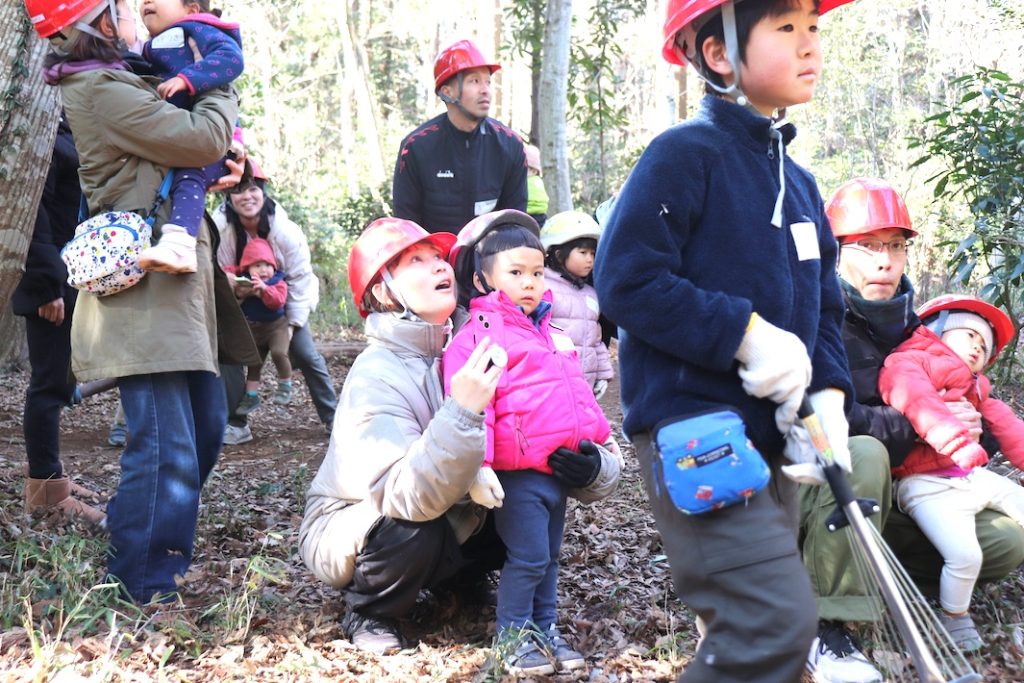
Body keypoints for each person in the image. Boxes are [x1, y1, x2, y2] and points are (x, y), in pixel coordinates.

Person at [594, 1, 858, 680]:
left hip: (773, 443)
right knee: (770, 622)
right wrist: (743, 333)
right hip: (698, 436)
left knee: (766, 634)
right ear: (718, 54)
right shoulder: (684, 155)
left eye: (814, 28)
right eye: (786, 28)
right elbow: (627, 278)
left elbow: (827, 306)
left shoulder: (798, 183)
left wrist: (827, 397)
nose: (810, 47)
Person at [297, 217, 621, 657]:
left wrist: (596, 467)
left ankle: (466, 585)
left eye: (438, 258)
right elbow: (405, 497)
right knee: (412, 529)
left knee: (522, 498)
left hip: (450, 509)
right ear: (382, 290)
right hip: (364, 524)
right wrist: (463, 411)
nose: (437, 267)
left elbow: (571, 420)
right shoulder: (378, 373)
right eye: (416, 261)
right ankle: (371, 609)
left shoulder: (490, 338)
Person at [30, 0, 256, 602]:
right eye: (126, 10)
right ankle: (142, 582)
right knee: (165, 447)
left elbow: (190, 154)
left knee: (204, 429)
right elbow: (200, 135)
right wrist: (221, 83)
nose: (138, 17)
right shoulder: (101, 87)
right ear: (102, 25)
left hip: (176, 286)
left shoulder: (128, 80)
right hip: (142, 293)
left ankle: (157, 556)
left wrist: (218, 166)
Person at [802, 176, 1024, 682]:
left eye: (896, 246)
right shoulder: (815, 320)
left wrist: (970, 428)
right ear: (835, 252)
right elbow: (826, 424)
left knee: (1005, 541)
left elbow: (975, 409)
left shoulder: (922, 331)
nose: (885, 261)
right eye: (867, 247)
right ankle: (826, 624)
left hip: (905, 498)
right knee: (864, 452)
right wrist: (924, 427)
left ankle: (875, 582)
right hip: (818, 494)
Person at [442, 210, 621, 675]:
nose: (530, 283)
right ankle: (513, 637)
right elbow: (475, 405)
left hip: (556, 471)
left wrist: (600, 443)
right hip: (516, 475)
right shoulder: (480, 334)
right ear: (483, 279)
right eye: (515, 273)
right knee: (528, 556)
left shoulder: (551, 333)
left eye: (537, 273)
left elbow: (577, 394)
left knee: (551, 557)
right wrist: (479, 465)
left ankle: (545, 630)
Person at [878, 294, 1024, 651]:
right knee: (965, 554)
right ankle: (954, 616)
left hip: (966, 475)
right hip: (925, 484)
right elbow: (915, 399)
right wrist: (957, 441)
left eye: (983, 345)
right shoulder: (912, 361)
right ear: (938, 331)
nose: (977, 348)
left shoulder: (977, 386)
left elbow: (1007, 426)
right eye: (968, 335)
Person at [14, 113, 105, 525]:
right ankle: (46, 490)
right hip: (48, 276)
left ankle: (51, 475)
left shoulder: (67, 125)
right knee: (49, 384)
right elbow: (31, 213)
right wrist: (47, 284)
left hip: (70, 269)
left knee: (60, 380)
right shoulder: (41, 129)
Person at [214, 161, 337, 443]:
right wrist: (232, 287)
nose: (247, 196)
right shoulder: (221, 229)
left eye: (253, 189)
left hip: (282, 308)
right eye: (238, 191)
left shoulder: (285, 231)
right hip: (242, 309)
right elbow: (217, 274)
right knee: (228, 357)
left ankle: (333, 418)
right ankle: (236, 423)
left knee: (306, 354)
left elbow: (300, 279)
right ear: (228, 197)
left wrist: (292, 324)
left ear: (264, 191)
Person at [134, 0, 245, 274]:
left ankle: (180, 243)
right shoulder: (148, 44)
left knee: (189, 174)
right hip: (182, 135)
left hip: (215, 139)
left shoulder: (196, 28)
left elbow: (231, 59)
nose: (146, 1)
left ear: (192, 9)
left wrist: (187, 78)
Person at [392, 39, 527, 235]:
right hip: (433, 260)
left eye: (488, 82)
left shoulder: (510, 145)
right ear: (447, 92)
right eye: (474, 81)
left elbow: (515, 224)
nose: (485, 90)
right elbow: (406, 227)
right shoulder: (416, 147)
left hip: (490, 260)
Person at [539, 210, 613, 399]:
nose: (590, 259)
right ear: (557, 253)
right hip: (549, 387)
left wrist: (603, 374)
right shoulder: (542, 288)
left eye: (592, 253)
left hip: (583, 387)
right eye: (582, 252)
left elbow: (595, 339)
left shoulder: (590, 294)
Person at [229, 237, 292, 413]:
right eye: (257, 266)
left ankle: (285, 384)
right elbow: (234, 287)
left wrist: (264, 289)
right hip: (254, 329)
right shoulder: (245, 281)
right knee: (254, 363)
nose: (263, 270)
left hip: (276, 327)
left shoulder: (278, 282)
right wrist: (244, 290)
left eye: (267, 265)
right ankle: (251, 396)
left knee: (279, 353)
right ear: (248, 268)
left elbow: (278, 302)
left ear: (274, 266)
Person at [524, 143, 549, 227]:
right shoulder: (539, 181)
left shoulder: (526, 182)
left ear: (533, 170)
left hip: (528, 215)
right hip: (542, 217)